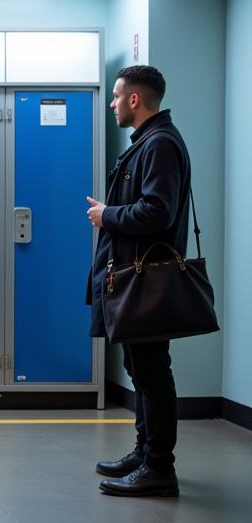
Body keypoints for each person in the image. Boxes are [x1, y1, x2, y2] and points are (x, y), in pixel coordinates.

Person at [86, 65, 191, 498]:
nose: (112, 103)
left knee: (151, 371)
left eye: (116, 96)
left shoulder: (160, 145)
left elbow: (157, 211)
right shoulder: (148, 143)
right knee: (139, 368)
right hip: (133, 278)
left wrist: (107, 214)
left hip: (144, 280)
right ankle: (144, 452)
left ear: (135, 100)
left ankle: (158, 468)